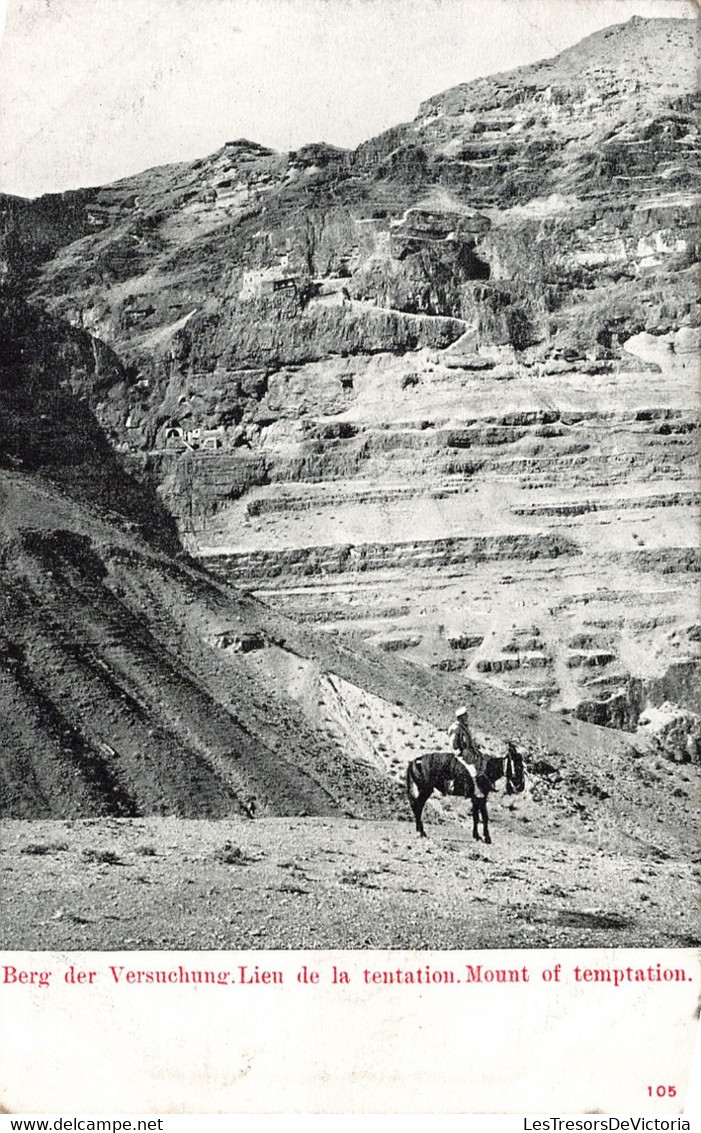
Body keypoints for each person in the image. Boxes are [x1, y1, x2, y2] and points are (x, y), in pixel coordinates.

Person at [448, 706, 487, 778]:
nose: (467, 717)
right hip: (461, 756)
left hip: (469, 753)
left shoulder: (465, 727)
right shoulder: (455, 728)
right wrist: (461, 753)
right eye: (465, 715)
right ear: (460, 717)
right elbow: (453, 745)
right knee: (472, 771)